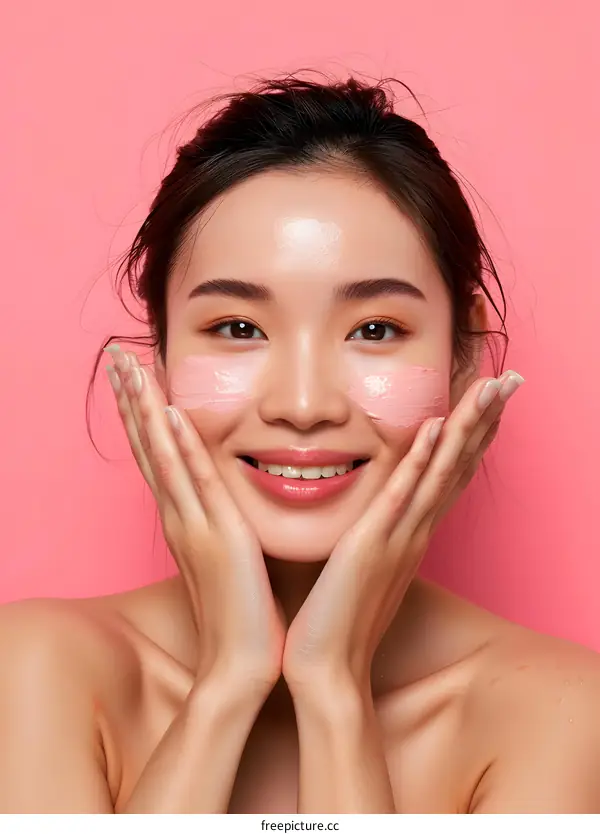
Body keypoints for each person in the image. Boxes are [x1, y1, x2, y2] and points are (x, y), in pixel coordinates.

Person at [1, 74, 599, 815]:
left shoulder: (561, 711)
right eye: (238, 329)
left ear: (465, 353)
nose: (304, 407)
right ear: (158, 355)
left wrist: (333, 689)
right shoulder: (35, 671)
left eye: (375, 331)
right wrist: (227, 683)